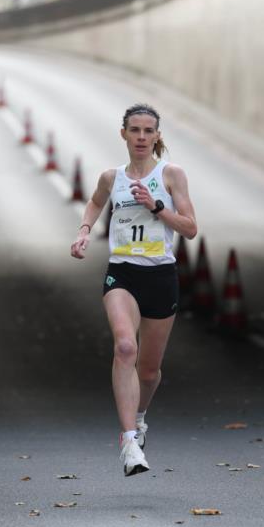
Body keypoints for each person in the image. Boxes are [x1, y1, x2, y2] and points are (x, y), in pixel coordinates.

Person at [70, 104, 198, 476]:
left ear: (157, 136)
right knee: (125, 347)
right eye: (134, 130)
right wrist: (83, 231)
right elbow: (95, 202)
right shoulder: (112, 178)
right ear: (123, 134)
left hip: (160, 274)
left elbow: (190, 228)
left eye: (148, 131)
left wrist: (157, 207)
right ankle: (128, 442)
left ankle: (139, 418)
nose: (141, 137)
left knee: (149, 370)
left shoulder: (171, 175)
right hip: (122, 272)